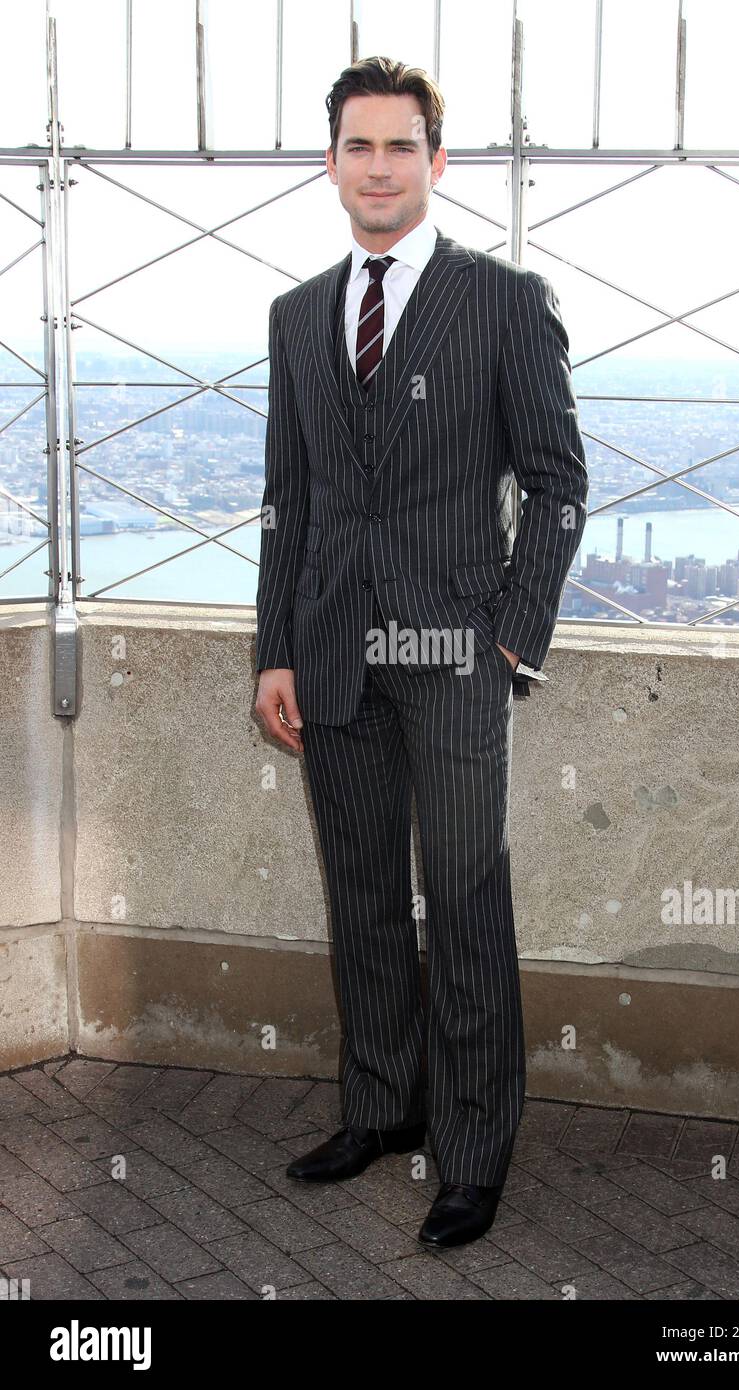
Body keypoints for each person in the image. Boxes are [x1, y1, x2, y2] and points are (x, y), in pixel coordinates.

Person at [254, 55, 588, 1249]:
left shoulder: (503, 300)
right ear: (333, 161)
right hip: (331, 653)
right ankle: (382, 1109)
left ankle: (474, 1148)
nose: (380, 167)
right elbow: (287, 502)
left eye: (402, 147)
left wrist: (509, 640)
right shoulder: (297, 317)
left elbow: (556, 485)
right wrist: (273, 652)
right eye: (360, 146)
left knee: (463, 899)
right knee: (361, 901)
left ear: (435, 163)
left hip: (457, 658)